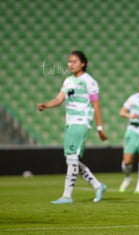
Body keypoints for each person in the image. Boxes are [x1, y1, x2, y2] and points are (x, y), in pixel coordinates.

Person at [37, 51, 108, 204]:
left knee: (72, 158)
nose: (71, 64)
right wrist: (46, 105)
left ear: (83, 63)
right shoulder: (68, 81)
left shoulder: (89, 81)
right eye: (69, 61)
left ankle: (67, 196)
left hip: (81, 121)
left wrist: (100, 127)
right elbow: (59, 99)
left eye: (74, 61)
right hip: (70, 123)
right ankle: (98, 185)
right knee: (71, 159)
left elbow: (96, 105)